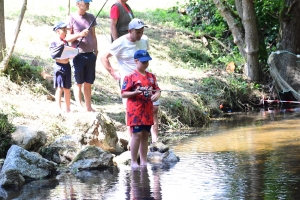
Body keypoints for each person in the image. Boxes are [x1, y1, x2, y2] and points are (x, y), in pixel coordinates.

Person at [101, 18, 160, 143]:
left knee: (154, 108)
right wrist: (114, 73)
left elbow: (145, 58)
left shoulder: (144, 40)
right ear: (130, 31)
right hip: (130, 82)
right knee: (130, 110)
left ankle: (155, 140)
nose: (140, 34)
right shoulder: (120, 42)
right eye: (137, 32)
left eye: (142, 31)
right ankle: (132, 139)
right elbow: (103, 57)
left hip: (146, 80)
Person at [121, 50, 161, 168]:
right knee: (136, 134)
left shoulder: (151, 77)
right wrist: (136, 92)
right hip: (135, 111)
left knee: (145, 135)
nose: (145, 64)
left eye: (147, 62)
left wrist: (157, 95)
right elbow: (123, 94)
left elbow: (157, 89)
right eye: (143, 62)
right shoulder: (130, 77)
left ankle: (143, 161)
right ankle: (134, 161)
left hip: (147, 110)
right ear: (136, 61)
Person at [65, 0, 98, 112]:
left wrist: (96, 50)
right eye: (85, 2)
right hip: (77, 54)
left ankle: (88, 106)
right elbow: (67, 38)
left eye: (88, 2)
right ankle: (79, 106)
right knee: (78, 82)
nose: (88, 4)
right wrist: (79, 34)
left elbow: (93, 36)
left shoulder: (91, 17)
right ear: (78, 4)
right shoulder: (71, 18)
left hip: (90, 54)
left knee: (88, 82)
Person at [50, 21, 77, 113]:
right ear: (58, 31)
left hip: (67, 66)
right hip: (59, 67)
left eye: (66, 30)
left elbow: (68, 53)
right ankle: (58, 107)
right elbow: (53, 54)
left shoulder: (66, 42)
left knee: (67, 88)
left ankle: (68, 108)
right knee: (59, 88)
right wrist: (60, 45)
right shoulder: (54, 42)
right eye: (64, 30)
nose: (66, 32)